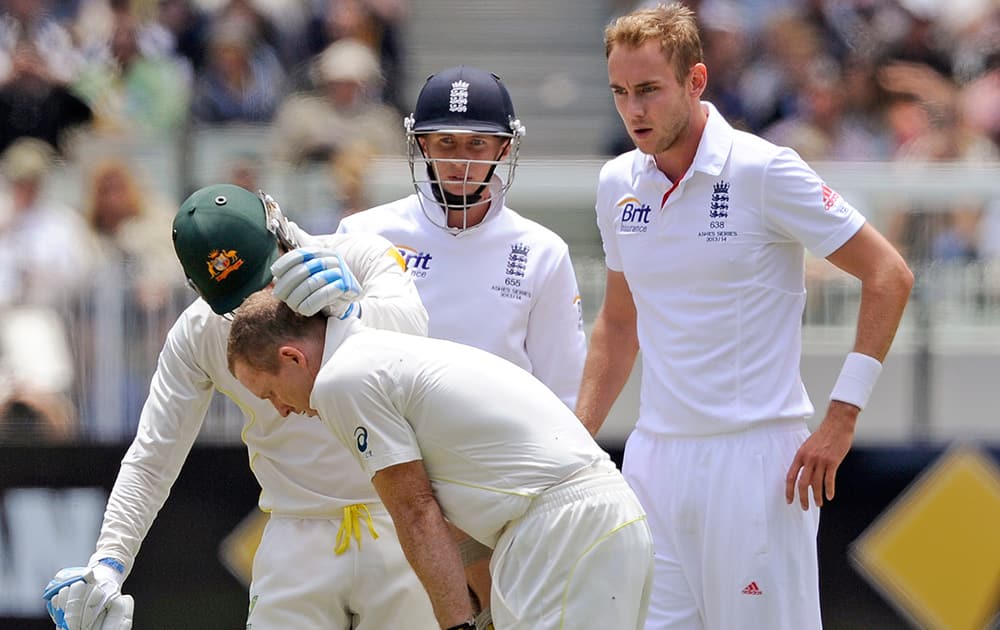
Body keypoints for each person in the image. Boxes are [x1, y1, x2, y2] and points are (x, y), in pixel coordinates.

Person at [577, 4, 914, 629]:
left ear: (696, 81)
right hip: (653, 461)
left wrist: (841, 417)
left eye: (649, 89)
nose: (634, 111)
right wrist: (576, 440)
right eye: (621, 92)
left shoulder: (766, 169)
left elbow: (889, 275)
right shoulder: (616, 182)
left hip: (757, 464)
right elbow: (618, 325)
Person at [42, 184, 438, 629]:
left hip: (398, 518)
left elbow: (415, 335)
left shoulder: (358, 257)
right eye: (239, 300)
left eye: (266, 279)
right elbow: (153, 456)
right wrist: (109, 563)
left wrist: (354, 315)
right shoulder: (199, 331)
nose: (260, 303)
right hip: (296, 536)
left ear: (278, 224)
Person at [226, 289, 654, 630]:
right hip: (611, 520)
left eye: (269, 393)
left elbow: (415, 513)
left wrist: (457, 627)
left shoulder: (342, 380)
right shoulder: (379, 355)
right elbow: (446, 512)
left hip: (562, 531)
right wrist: (479, 610)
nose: (281, 409)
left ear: (292, 358)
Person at [335, 65, 587, 410]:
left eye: (477, 143)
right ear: (423, 144)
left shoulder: (543, 251)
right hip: (393, 441)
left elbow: (564, 386)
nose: (460, 160)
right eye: (446, 142)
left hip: (500, 444)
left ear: (505, 148)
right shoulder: (364, 233)